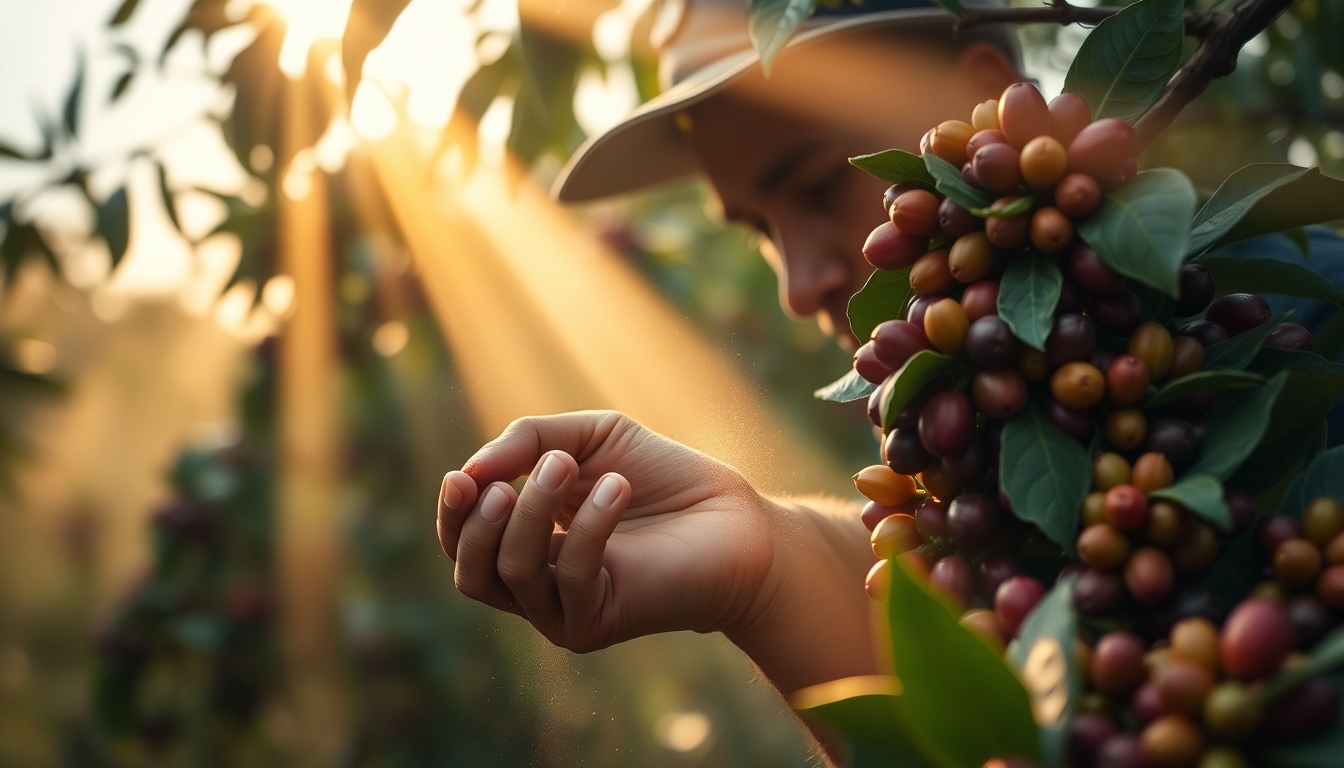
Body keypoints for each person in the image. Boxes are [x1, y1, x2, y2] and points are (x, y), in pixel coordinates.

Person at [436, 0, 1344, 762]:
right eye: (758, 227)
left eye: (820, 183)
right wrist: (760, 559)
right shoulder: (1003, 416)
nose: (797, 287)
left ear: (981, 103)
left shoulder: (1283, 335)